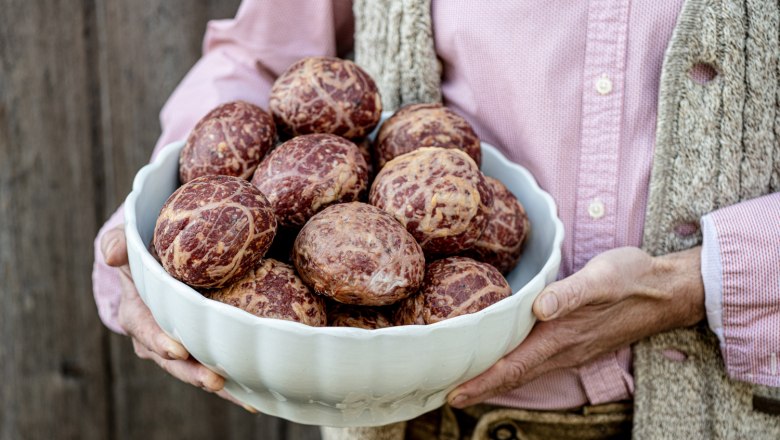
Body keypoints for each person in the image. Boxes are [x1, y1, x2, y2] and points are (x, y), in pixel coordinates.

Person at [93, 0, 780, 438]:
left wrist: (696, 283)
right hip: (409, 422)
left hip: (721, 410)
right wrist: (155, 241)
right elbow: (263, 61)